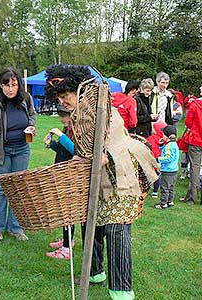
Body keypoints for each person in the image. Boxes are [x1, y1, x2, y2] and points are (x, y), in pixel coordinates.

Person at [45, 64, 158, 300]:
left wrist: (98, 157)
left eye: (65, 96)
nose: (62, 102)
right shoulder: (81, 113)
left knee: (117, 230)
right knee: (92, 224)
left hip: (122, 178)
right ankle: (94, 272)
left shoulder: (101, 109)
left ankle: (122, 292)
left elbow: (108, 148)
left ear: (79, 90)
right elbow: (85, 151)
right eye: (59, 98)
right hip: (99, 179)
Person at [0, 68, 36, 242]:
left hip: (21, 149)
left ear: (18, 84)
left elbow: (32, 116)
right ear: (0, 85)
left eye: (14, 84)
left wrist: (32, 127)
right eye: (6, 85)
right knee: (1, 190)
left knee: (18, 189)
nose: (10, 89)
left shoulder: (26, 99)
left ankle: (16, 228)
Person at [44, 105, 75, 260]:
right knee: (65, 210)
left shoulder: (76, 131)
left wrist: (60, 136)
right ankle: (68, 240)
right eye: (61, 116)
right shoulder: (67, 130)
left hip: (69, 175)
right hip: (62, 172)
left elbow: (75, 150)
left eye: (65, 116)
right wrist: (52, 144)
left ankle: (66, 249)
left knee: (68, 211)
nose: (62, 119)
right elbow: (63, 150)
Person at [180, 95, 202, 205]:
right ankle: (191, 196)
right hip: (197, 139)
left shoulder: (195, 105)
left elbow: (188, 122)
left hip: (196, 140)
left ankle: (192, 197)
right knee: (196, 168)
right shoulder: (195, 104)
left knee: (195, 168)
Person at [154, 125, 180, 209]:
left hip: (167, 171)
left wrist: (158, 159)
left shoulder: (169, 146)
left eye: (163, 134)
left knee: (164, 188)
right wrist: (161, 146)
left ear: (168, 136)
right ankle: (170, 201)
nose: (162, 136)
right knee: (171, 187)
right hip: (174, 170)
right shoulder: (173, 144)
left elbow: (168, 157)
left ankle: (163, 204)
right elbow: (167, 153)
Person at [147, 121, 167, 199]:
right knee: (157, 177)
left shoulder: (150, 138)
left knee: (148, 176)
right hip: (160, 161)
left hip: (151, 160)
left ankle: (146, 188)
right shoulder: (165, 139)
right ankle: (155, 192)